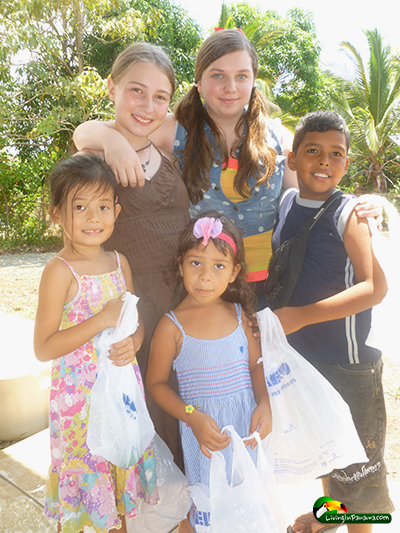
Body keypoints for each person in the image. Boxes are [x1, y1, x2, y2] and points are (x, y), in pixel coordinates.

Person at [73, 30, 383, 310]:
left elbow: (317, 186)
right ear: (199, 80)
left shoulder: (276, 136)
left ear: (253, 80)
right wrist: (111, 140)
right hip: (200, 287)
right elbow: (85, 132)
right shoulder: (176, 130)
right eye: (218, 75)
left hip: (267, 288)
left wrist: (366, 204)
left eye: (242, 76)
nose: (230, 87)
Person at [269, 111, 394, 533]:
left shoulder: (350, 214)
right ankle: (330, 516)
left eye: (335, 154)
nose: (324, 162)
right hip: (306, 360)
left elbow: (375, 288)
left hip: (348, 363)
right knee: (326, 448)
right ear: (292, 159)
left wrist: (300, 316)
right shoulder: (287, 202)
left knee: (358, 469)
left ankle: (360, 522)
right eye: (312, 152)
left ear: (346, 163)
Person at [77, 42, 190, 470]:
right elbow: (80, 249)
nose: (147, 105)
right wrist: (107, 137)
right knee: (141, 446)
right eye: (135, 91)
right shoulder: (91, 159)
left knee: (185, 434)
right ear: (112, 88)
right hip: (131, 321)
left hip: (182, 315)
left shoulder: (166, 149)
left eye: (160, 96)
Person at [34, 154, 158, 533]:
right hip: (79, 407)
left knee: (117, 477)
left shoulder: (121, 262)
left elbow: (132, 320)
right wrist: (100, 320)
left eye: (103, 206)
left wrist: (135, 340)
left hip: (120, 393)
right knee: (84, 477)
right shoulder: (59, 271)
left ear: (116, 211)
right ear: (58, 214)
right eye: (80, 207)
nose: (93, 217)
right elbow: (44, 347)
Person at [145, 213, 272, 532]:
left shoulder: (241, 315)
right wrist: (191, 416)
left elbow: (256, 367)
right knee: (206, 511)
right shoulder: (170, 326)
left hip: (246, 434)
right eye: (195, 263)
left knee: (247, 510)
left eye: (219, 265)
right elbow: (156, 384)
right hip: (205, 436)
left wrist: (265, 402)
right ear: (180, 265)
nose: (205, 277)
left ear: (234, 272)